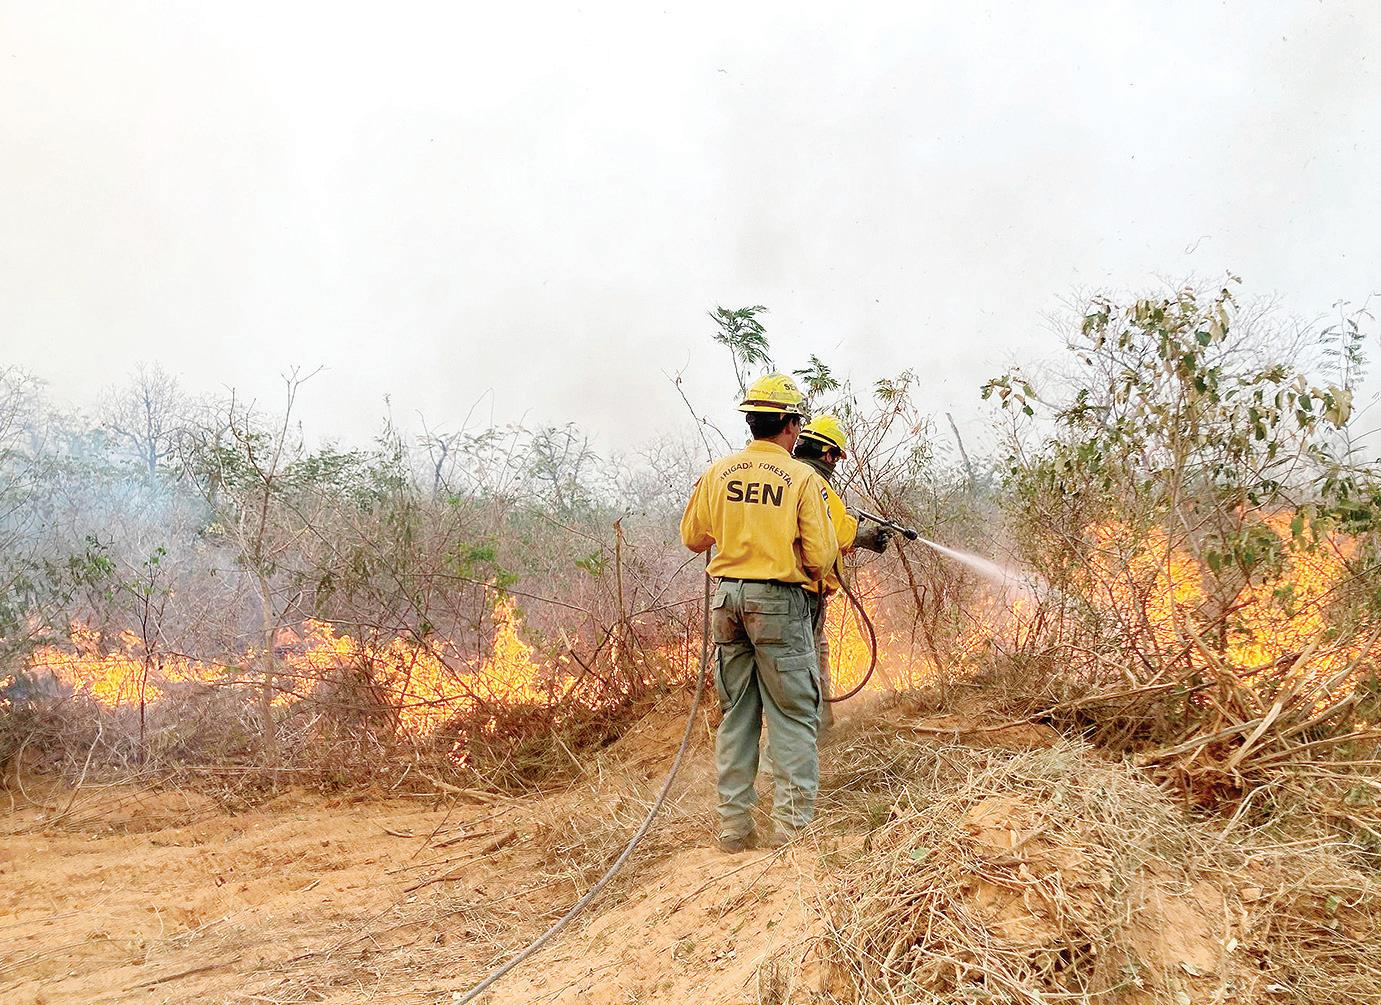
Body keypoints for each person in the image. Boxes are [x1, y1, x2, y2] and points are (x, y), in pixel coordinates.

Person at [679, 374, 838, 852]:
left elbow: (693, 537)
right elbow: (821, 557)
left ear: (751, 422)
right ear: (791, 426)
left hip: (727, 602)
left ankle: (734, 830)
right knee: (793, 715)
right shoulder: (803, 478)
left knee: (738, 716)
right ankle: (790, 832)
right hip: (779, 605)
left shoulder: (719, 473)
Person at [792, 415, 892, 729]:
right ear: (827, 453)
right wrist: (858, 531)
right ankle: (812, 733)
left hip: (795, 589)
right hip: (804, 591)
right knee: (807, 661)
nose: (835, 463)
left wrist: (859, 537)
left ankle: (820, 726)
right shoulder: (815, 482)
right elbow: (840, 532)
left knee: (812, 657)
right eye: (836, 457)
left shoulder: (789, 476)